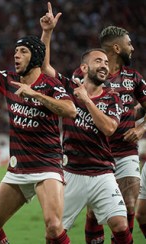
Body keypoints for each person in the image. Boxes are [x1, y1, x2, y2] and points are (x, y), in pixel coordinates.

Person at [0, 4, 77, 244]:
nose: (15, 55)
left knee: (53, 226)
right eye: (15, 51)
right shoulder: (9, 81)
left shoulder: (50, 85)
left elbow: (70, 110)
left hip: (47, 165)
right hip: (18, 168)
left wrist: (37, 95)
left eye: (22, 52)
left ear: (35, 57)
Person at [40, 4, 146, 242]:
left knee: (125, 212)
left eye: (105, 63)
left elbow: (114, 125)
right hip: (80, 161)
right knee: (71, 223)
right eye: (129, 43)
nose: (132, 47)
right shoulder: (78, 79)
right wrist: (47, 33)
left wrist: (140, 128)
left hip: (116, 156)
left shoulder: (126, 85)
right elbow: (46, 70)